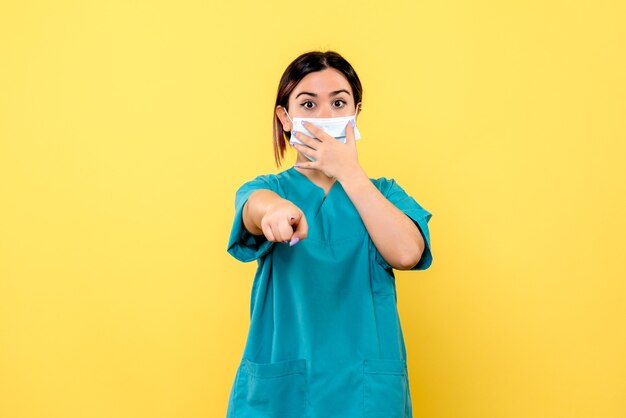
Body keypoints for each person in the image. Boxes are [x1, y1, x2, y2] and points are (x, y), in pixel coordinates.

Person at [225, 50, 433, 418]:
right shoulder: (270, 188)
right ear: (285, 118)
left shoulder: (382, 194)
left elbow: (406, 253)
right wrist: (274, 210)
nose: (325, 116)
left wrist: (350, 173)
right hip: (283, 390)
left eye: (339, 103)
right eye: (309, 104)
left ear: (356, 114)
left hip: (365, 394)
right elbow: (254, 207)